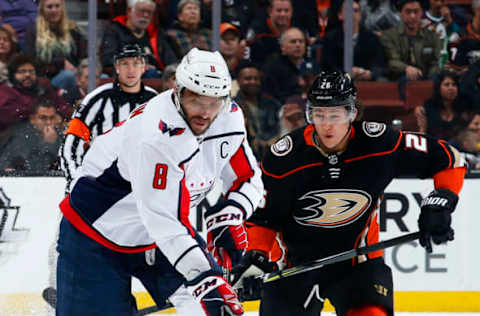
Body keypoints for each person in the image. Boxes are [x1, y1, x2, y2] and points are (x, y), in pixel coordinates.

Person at [232, 71, 466, 316]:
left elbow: (449, 158)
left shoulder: (380, 143)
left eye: (336, 114)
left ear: (353, 113)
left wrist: (440, 203)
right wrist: (256, 255)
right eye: (319, 114)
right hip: (294, 265)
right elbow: (263, 216)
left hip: (359, 262)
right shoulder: (285, 157)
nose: (327, 124)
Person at [55, 47, 263, 315]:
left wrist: (231, 213)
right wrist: (205, 279)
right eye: (196, 101)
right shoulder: (155, 135)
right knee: (207, 287)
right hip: (95, 234)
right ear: (178, 91)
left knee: (212, 309)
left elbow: (248, 178)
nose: (205, 113)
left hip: (160, 238)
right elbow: (163, 219)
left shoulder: (229, 117)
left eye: (214, 102)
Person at [59, 44, 157, 193]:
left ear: (144, 67)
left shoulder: (155, 102)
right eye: (125, 64)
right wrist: (76, 181)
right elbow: (71, 144)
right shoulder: (96, 100)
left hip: (139, 190)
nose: (131, 69)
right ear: (116, 67)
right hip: (99, 186)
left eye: (136, 63)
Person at [100, 0, 177, 77]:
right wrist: (136, 66)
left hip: (156, 77)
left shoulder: (156, 34)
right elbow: (108, 60)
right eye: (142, 11)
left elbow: (171, 61)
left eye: (149, 12)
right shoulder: (114, 31)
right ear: (129, 10)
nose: (146, 15)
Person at [24, 0, 87, 90]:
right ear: (42, 10)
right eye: (49, 7)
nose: (54, 10)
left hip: (74, 73)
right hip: (46, 78)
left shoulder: (73, 29)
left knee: (97, 75)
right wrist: (61, 63)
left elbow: (83, 55)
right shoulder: (33, 30)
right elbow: (30, 59)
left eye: (57, 6)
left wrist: (83, 69)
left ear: (62, 8)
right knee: (68, 76)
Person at [322, 0, 387, 81]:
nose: (352, 14)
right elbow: (328, 66)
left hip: (367, 82)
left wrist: (370, 73)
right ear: (340, 15)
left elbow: (379, 64)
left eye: (356, 11)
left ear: (360, 15)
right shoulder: (330, 39)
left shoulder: (372, 38)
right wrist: (346, 73)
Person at [380, 0, 442, 82]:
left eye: (416, 12)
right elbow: (392, 61)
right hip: (400, 78)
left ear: (421, 13)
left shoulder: (432, 35)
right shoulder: (389, 36)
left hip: (427, 77)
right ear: (400, 13)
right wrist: (406, 68)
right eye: (408, 12)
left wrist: (429, 78)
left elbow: (437, 61)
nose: (412, 16)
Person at [0, 99, 62, 173]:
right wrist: (49, 144)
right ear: (33, 119)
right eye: (43, 118)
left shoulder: (61, 136)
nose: (48, 122)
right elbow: (36, 169)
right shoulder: (21, 137)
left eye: (52, 118)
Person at [415, 71, 467, 141]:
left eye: (454, 85)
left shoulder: (463, 107)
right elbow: (422, 132)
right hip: (434, 147)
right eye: (447, 85)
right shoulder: (429, 107)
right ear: (438, 88)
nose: (451, 88)